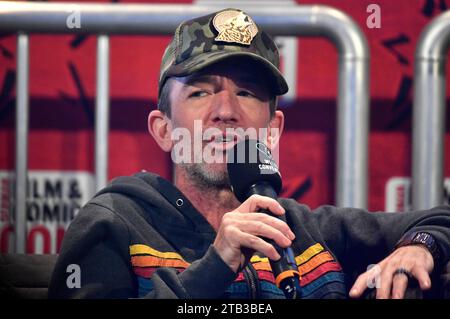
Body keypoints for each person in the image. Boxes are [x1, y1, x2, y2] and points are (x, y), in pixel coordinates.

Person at [49, 8, 450, 299]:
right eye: (201, 92)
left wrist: (420, 246)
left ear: (272, 129)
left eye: (246, 93)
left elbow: (439, 218)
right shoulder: (115, 224)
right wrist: (216, 265)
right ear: (164, 129)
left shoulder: (308, 231)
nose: (225, 111)